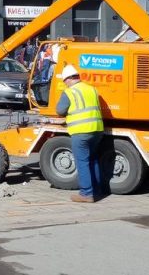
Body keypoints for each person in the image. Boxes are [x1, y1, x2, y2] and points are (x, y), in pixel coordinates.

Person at [54, 64, 103, 203]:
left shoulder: (69, 92)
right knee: (93, 160)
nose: (65, 84)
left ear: (68, 79)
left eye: (64, 81)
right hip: (97, 129)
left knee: (82, 162)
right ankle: (97, 190)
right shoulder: (92, 89)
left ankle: (86, 194)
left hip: (81, 131)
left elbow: (60, 111)